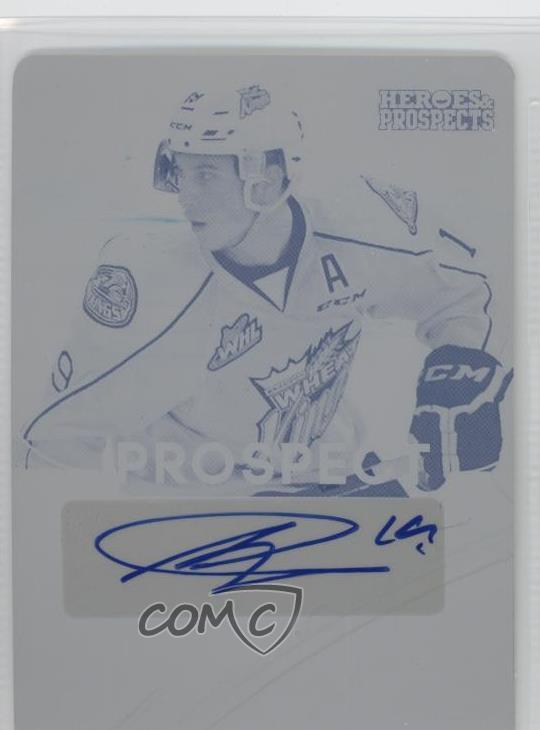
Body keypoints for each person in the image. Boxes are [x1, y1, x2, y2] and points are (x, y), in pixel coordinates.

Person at [21, 84, 512, 495]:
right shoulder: (148, 277)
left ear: (269, 179)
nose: (186, 196)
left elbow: (469, 292)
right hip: (187, 506)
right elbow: (54, 440)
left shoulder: (362, 229)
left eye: (207, 174)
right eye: (180, 172)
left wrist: (459, 376)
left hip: (327, 479)